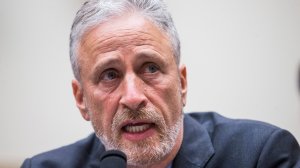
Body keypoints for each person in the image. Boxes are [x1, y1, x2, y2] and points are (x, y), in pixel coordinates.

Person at [21, 0, 300, 167]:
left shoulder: (260, 155)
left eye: (150, 68)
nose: (132, 97)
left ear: (182, 83)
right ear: (81, 99)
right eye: (109, 75)